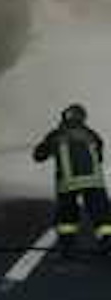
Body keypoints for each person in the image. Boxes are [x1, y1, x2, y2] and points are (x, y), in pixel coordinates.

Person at [33, 103, 111, 253]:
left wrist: (47, 147)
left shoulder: (56, 135)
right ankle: (108, 244)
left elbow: (38, 156)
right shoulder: (92, 134)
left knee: (67, 217)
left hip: (68, 183)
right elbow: (99, 157)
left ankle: (67, 248)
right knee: (102, 216)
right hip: (94, 181)